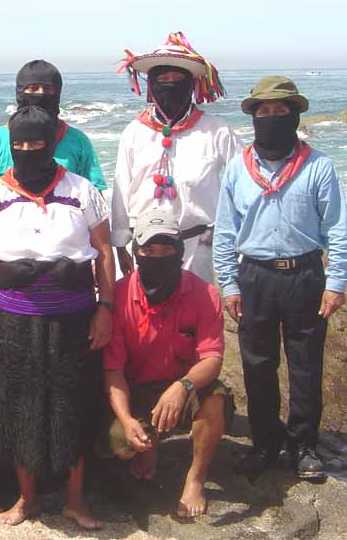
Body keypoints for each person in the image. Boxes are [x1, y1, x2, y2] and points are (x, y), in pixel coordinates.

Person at [0, 106, 115, 530]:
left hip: (74, 319)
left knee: (73, 405)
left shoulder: (82, 190)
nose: (28, 151)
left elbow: (104, 253)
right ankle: (26, 499)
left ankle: (75, 501)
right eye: (20, 145)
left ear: (52, 144)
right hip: (15, 321)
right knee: (19, 407)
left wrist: (105, 309)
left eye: (37, 143)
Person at [213, 76, 347, 481]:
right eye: (264, 111)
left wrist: (337, 282)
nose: (272, 117)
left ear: (294, 116)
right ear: (254, 117)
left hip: (305, 275)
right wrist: (229, 284)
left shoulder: (319, 166)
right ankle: (265, 444)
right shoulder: (237, 169)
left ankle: (304, 444)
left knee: (306, 365)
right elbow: (225, 231)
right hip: (255, 276)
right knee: (257, 365)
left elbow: (339, 228)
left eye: (281, 111)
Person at [103, 209, 233, 518]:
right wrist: (126, 419)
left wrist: (182, 386)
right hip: (136, 389)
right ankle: (150, 445)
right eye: (149, 250)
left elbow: (212, 358)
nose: (157, 257)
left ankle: (196, 478)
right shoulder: (119, 295)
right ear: (136, 252)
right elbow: (113, 369)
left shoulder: (205, 293)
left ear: (180, 252)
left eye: (166, 250)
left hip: (182, 387)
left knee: (215, 398)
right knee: (120, 444)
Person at [112, 32, 241, 283]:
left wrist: (226, 231)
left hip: (198, 247)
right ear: (151, 85)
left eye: (177, 79)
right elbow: (121, 189)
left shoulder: (216, 129)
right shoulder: (134, 132)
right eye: (163, 79)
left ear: (191, 84)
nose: (170, 84)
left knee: (197, 306)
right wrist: (120, 245)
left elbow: (243, 182)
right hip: (145, 248)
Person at [0, 59, 107, 202]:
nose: (41, 94)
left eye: (48, 89)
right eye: (33, 88)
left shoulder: (78, 141)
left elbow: (94, 197)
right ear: (20, 92)